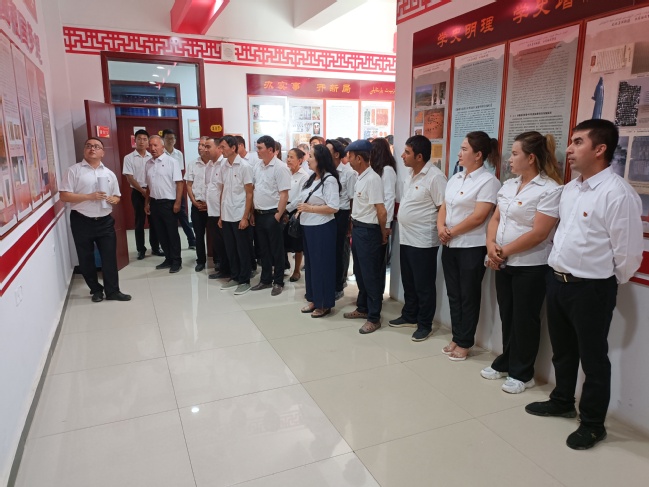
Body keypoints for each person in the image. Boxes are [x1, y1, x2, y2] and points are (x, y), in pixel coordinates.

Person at [525, 119, 643, 450]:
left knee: (593, 359)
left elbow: (628, 254)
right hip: (558, 281)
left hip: (591, 289)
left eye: (578, 142)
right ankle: (562, 400)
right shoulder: (572, 189)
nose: (569, 149)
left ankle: (592, 423)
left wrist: (602, 282)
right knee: (563, 350)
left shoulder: (617, 194)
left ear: (600, 149)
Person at [482, 131, 563, 393]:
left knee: (525, 319)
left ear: (531, 158)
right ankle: (506, 361)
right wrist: (491, 247)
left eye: (515, 154)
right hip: (503, 262)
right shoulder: (508, 185)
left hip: (531, 265)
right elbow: (496, 219)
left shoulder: (549, 189)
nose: (509, 159)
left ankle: (523, 372)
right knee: (508, 314)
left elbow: (539, 233)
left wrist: (502, 251)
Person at [438, 131, 501, 360]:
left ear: (478, 155)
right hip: (449, 245)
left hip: (471, 247)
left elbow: (479, 217)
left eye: (464, 149)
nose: (459, 153)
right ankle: (457, 336)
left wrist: (451, 232)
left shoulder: (489, 182)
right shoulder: (455, 178)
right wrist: (440, 227)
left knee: (468, 295)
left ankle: (465, 341)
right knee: (454, 294)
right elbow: (444, 206)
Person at [60, 138, 131, 302]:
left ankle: (113, 291)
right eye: (89, 146)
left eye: (96, 146)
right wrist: (89, 196)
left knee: (109, 257)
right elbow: (64, 196)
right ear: (84, 150)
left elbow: (117, 196)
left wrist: (114, 199)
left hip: (105, 221)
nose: (92, 149)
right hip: (81, 220)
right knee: (86, 258)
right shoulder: (73, 171)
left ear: (102, 152)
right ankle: (96, 290)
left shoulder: (109, 173)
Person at [390, 135, 447, 341]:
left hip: (423, 240)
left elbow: (443, 207)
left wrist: (441, 229)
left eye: (407, 152)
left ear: (419, 156)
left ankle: (425, 324)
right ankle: (410, 315)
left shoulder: (435, 177)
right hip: (406, 238)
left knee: (424, 285)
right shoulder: (410, 174)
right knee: (409, 280)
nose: (402, 156)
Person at [343, 139, 388, 334]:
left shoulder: (373, 179)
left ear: (359, 158)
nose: (348, 160)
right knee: (360, 272)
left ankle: (374, 317)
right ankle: (362, 308)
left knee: (370, 276)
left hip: (370, 232)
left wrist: (383, 232)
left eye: (350, 157)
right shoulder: (360, 177)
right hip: (359, 229)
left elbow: (381, 210)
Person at [297, 144, 341, 317]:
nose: (307, 159)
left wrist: (310, 208)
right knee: (311, 265)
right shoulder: (311, 178)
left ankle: (324, 303)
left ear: (320, 159)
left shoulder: (329, 180)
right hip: (308, 227)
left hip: (322, 228)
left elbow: (334, 207)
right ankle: (314, 298)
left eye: (310, 156)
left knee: (322, 265)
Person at [250, 135, 291, 296]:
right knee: (263, 250)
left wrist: (278, 216)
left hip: (273, 214)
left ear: (271, 150)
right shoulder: (257, 166)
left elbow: (284, 194)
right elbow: (254, 189)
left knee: (277, 250)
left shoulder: (280, 167)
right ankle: (265, 279)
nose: (257, 151)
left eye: (260, 148)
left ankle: (278, 281)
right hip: (259, 213)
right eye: (257, 147)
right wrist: (253, 212)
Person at [217, 135, 254, 295]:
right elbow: (223, 190)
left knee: (242, 249)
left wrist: (246, 216)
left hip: (239, 214)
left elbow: (249, 193)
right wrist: (220, 215)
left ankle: (245, 280)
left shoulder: (245, 166)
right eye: (220, 147)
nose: (221, 150)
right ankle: (235, 276)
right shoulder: (223, 165)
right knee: (230, 248)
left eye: (223, 147)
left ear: (233, 148)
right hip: (226, 214)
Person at [145, 135, 184, 273]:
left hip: (169, 203)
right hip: (154, 203)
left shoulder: (172, 162)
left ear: (162, 146)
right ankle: (168, 258)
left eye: (155, 145)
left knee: (172, 233)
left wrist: (178, 202)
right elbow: (149, 186)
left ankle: (177, 261)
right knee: (160, 233)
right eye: (150, 145)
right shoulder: (148, 163)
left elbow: (179, 183)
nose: (152, 148)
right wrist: (147, 203)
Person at [122, 129, 161, 260]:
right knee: (139, 221)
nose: (142, 142)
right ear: (135, 140)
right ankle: (141, 249)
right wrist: (143, 191)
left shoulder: (152, 156)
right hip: (138, 193)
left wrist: (149, 192)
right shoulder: (129, 158)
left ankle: (155, 247)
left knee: (154, 221)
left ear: (148, 142)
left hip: (152, 192)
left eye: (145, 139)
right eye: (139, 139)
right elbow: (129, 177)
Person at [326, 138, 356, 301]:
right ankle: (329, 282)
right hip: (326, 213)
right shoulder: (325, 171)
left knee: (338, 250)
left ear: (337, 154)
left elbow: (352, 199)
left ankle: (338, 285)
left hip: (341, 214)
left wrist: (350, 221)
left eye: (328, 151)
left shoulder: (348, 173)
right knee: (328, 250)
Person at [370, 137, 397, 295]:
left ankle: (377, 295)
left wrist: (386, 226)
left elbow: (389, 198)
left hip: (382, 222)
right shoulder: (376, 170)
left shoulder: (387, 170)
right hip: (374, 221)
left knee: (378, 262)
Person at [162, 128, 196, 250]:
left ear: (175, 140)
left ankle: (192, 240)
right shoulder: (160, 153)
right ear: (163, 140)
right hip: (164, 191)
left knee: (183, 216)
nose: (170, 141)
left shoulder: (179, 154)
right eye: (167, 138)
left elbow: (179, 173)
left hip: (176, 189)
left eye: (172, 138)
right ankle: (164, 245)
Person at [204, 137, 230, 279]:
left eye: (208, 146)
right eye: (205, 147)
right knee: (218, 243)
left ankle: (229, 270)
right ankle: (223, 269)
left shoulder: (225, 164)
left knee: (226, 243)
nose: (205, 149)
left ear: (219, 148)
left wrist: (222, 213)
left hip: (223, 212)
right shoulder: (209, 165)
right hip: (211, 211)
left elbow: (225, 189)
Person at [185, 136, 211, 272]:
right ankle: (200, 260)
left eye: (203, 145)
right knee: (199, 235)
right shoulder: (192, 164)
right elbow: (188, 185)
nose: (200, 148)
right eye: (199, 145)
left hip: (212, 207)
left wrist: (210, 204)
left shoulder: (216, 164)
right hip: (197, 205)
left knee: (215, 235)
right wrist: (194, 201)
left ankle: (218, 261)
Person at [284, 148, 309, 282]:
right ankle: (284, 266)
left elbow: (300, 197)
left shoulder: (304, 176)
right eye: (288, 156)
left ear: (300, 160)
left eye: (291, 157)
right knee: (283, 240)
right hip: (282, 208)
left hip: (295, 210)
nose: (288, 159)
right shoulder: (285, 172)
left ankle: (297, 270)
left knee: (297, 242)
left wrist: (287, 209)